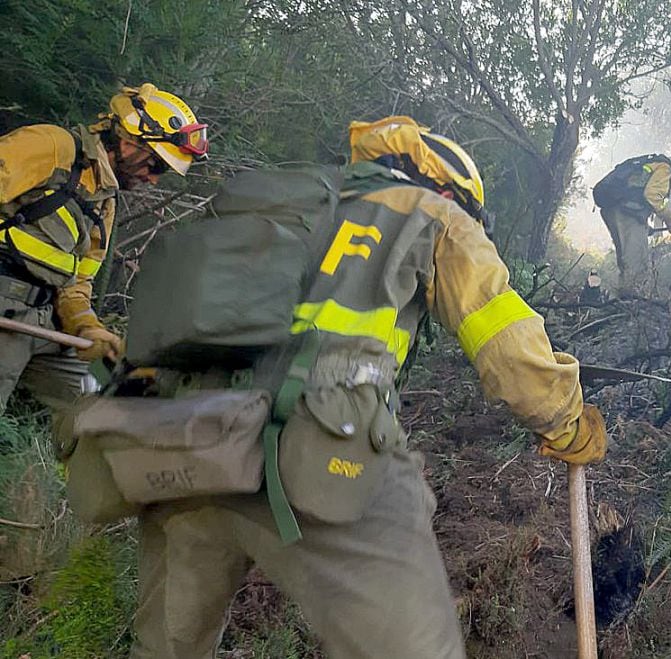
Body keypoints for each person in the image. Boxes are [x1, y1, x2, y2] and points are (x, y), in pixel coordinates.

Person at [124, 116, 607, 658]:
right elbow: (508, 345)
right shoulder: (434, 213)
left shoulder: (287, 203)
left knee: (167, 648)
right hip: (323, 446)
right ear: (450, 187)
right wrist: (564, 422)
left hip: (186, 440)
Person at [0, 83, 207, 414]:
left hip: (46, 323)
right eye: (156, 166)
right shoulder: (51, 147)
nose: (154, 180)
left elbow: (77, 285)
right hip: (5, 312)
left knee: (110, 407)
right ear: (128, 142)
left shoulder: (104, 204)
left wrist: (88, 328)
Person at [591, 141, 671, 294]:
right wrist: (670, 219)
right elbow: (652, 196)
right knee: (637, 266)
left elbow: (640, 194)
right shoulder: (665, 168)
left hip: (617, 210)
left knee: (627, 262)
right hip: (626, 213)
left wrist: (645, 226)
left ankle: (621, 300)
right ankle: (630, 304)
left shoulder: (657, 163)